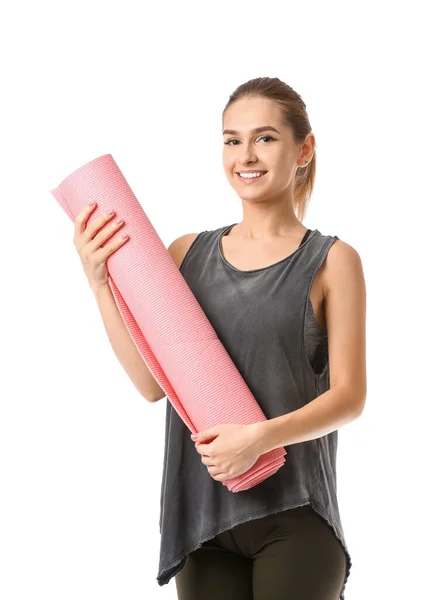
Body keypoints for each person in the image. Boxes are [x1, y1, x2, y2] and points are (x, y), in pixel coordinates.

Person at [74, 76, 366, 600]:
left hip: (294, 516)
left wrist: (257, 439)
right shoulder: (186, 254)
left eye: (265, 138)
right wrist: (100, 284)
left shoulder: (332, 261)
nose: (245, 155)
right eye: (232, 139)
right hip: (204, 521)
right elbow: (150, 384)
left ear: (304, 148)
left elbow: (349, 398)